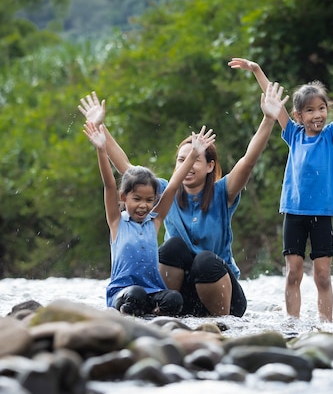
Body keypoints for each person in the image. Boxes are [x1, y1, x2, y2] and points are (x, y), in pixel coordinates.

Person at [78, 82, 288, 317]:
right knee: (172, 247)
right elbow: (126, 169)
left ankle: (221, 324)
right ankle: (163, 313)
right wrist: (99, 127)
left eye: (195, 159)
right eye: (181, 160)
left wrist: (269, 119)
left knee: (205, 260)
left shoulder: (223, 192)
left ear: (210, 166)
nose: (187, 165)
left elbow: (248, 160)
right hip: (180, 296)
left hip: (222, 293)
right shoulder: (163, 192)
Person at [229, 51, 333, 322]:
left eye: (321, 108)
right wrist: (257, 70)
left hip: (322, 214)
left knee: (323, 275)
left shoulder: (331, 136)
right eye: (310, 110)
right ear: (298, 114)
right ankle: (292, 323)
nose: (317, 115)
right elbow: (275, 107)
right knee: (293, 272)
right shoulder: (293, 134)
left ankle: (325, 325)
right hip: (294, 212)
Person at [81, 107, 215, 316]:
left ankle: (153, 312)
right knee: (135, 294)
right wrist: (101, 149)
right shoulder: (117, 221)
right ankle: (131, 311)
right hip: (123, 291)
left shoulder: (155, 220)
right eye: (137, 199)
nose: (143, 205)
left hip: (153, 291)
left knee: (174, 298)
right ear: (124, 197)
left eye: (149, 200)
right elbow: (109, 184)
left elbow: (172, 187)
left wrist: (194, 155)